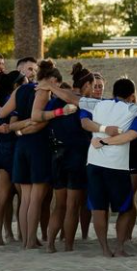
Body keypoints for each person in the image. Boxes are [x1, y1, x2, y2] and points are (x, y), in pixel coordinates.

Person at [80, 78, 137, 258]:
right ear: (132, 95)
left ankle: (104, 249)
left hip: (93, 162)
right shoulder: (135, 109)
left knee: (98, 208)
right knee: (126, 208)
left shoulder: (96, 105)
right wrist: (106, 140)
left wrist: (101, 135)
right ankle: (119, 247)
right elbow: (131, 135)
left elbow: (83, 120)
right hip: (117, 166)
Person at [16, 60, 77, 249]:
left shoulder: (22, 89)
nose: (58, 88)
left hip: (21, 146)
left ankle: (27, 239)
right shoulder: (44, 93)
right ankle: (29, 241)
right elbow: (37, 118)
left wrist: (18, 129)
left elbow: (7, 114)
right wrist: (60, 111)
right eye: (57, 83)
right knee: (35, 199)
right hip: (38, 147)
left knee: (25, 198)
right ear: (52, 79)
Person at [42, 64, 94, 252]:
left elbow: (41, 117)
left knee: (59, 205)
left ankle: (50, 244)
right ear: (86, 84)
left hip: (56, 154)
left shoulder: (55, 102)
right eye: (92, 85)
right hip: (77, 155)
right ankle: (69, 245)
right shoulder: (85, 102)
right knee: (72, 206)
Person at [0, 70, 29, 245]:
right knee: (24, 195)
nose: (28, 86)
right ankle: (25, 235)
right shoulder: (15, 102)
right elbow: (13, 126)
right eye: (25, 83)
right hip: (14, 150)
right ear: (16, 85)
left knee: (1, 195)